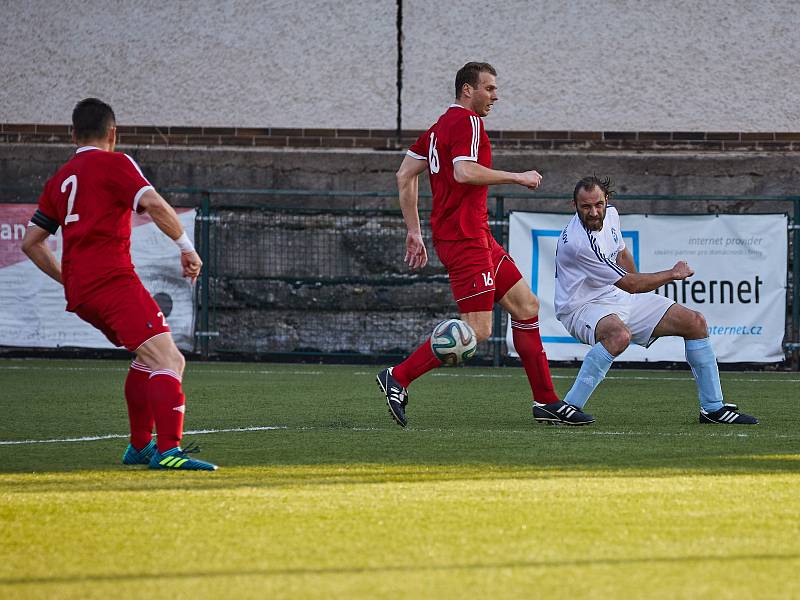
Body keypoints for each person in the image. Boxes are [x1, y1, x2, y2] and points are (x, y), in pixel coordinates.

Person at [376, 62, 592, 427]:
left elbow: (404, 175)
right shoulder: (469, 122)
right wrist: (517, 177)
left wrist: (414, 230)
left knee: (526, 305)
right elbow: (463, 171)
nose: (495, 95)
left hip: (473, 236)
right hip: (466, 240)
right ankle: (398, 376)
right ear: (467, 90)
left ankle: (546, 401)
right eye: (489, 88)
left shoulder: (437, 128)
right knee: (476, 332)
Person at [21, 98, 219, 469]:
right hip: (111, 281)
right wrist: (186, 248)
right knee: (169, 359)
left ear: (73, 133)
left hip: (82, 293)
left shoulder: (60, 178)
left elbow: (30, 243)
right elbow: (155, 204)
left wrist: (72, 280)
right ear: (113, 133)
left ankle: (140, 447)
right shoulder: (116, 162)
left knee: (147, 357)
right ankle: (168, 452)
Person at [553, 175, 759, 425]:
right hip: (580, 307)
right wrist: (673, 274)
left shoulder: (612, 216)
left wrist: (636, 291)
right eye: (586, 207)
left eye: (598, 204)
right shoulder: (579, 243)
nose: (594, 212)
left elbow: (623, 256)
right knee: (618, 337)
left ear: (607, 200)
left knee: (694, 322)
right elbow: (631, 284)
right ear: (573, 206)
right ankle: (569, 407)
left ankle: (713, 409)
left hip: (616, 295)